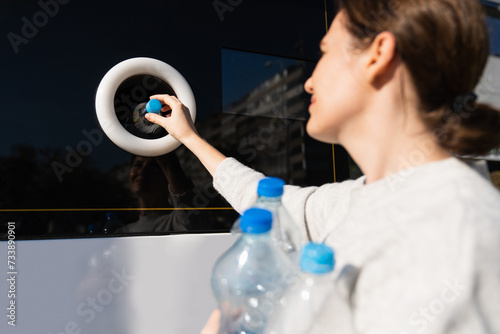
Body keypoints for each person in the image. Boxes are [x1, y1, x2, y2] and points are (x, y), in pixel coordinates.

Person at [146, 0, 500, 332]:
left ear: (378, 56)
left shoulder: (449, 230)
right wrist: (189, 137)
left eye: (325, 52)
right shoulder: (368, 197)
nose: (309, 81)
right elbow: (272, 203)